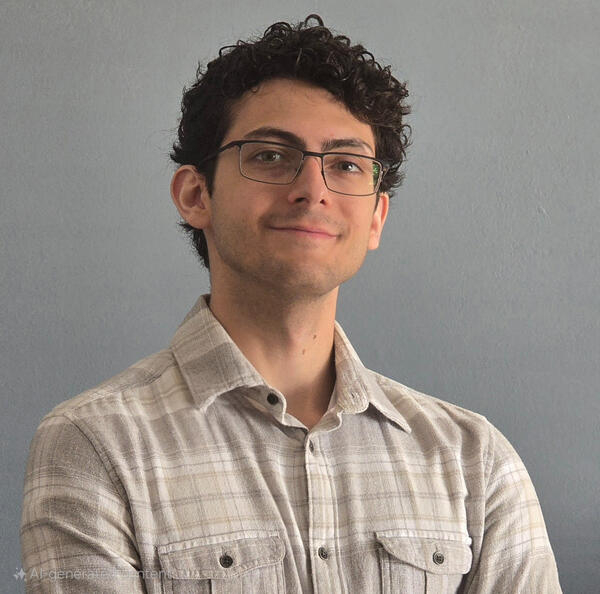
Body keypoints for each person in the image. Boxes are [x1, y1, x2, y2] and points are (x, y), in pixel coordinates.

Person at [20, 14, 561, 593]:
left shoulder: (474, 459)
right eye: (271, 156)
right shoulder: (95, 445)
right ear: (196, 194)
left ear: (375, 218)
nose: (312, 190)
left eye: (346, 164)